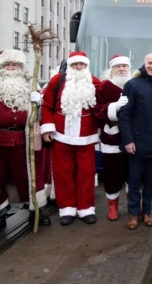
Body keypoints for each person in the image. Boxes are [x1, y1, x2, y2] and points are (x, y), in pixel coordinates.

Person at [0, 50, 51, 235]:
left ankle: (35, 209)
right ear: (0, 66)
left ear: (22, 67)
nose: (11, 68)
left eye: (15, 65)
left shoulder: (31, 83)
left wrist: (40, 104)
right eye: (7, 65)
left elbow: (40, 116)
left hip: (24, 140)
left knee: (28, 176)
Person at [41, 51, 100, 225]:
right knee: (62, 173)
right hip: (61, 135)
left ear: (86, 66)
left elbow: (102, 105)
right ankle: (66, 208)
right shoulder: (57, 81)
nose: (79, 67)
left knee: (86, 173)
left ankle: (86, 208)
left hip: (86, 136)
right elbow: (47, 106)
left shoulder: (95, 82)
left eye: (82, 65)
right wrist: (47, 128)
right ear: (70, 66)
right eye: (75, 65)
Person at [118, 52, 152, 230]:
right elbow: (124, 114)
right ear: (144, 64)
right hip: (137, 143)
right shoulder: (132, 85)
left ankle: (146, 212)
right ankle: (133, 213)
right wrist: (128, 140)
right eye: (150, 63)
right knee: (135, 180)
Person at [93, 54, 132, 221]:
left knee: (133, 174)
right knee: (112, 174)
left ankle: (133, 205)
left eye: (124, 66)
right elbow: (97, 111)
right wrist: (115, 107)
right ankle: (113, 206)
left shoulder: (134, 85)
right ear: (112, 69)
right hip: (112, 138)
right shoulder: (104, 88)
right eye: (118, 66)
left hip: (132, 139)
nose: (121, 69)